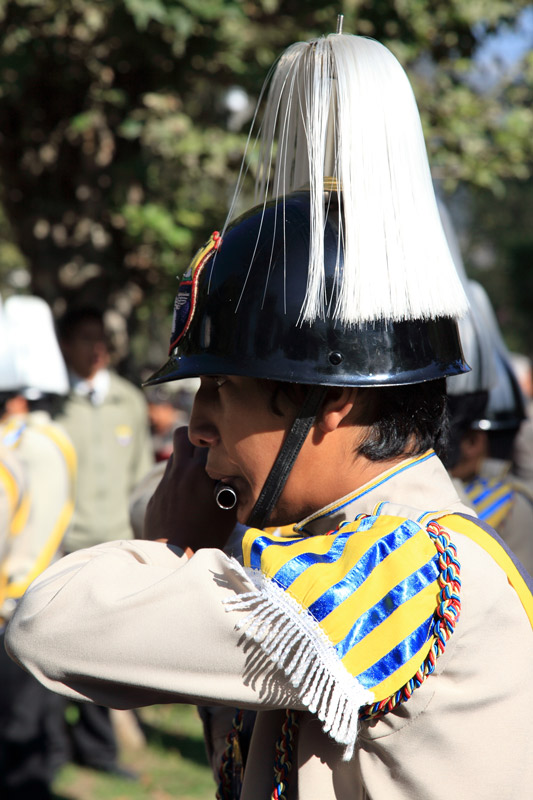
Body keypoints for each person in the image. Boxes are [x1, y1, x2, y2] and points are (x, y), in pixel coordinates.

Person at [6, 31, 533, 800]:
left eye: (222, 388)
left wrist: (172, 546)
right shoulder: (325, 535)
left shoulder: (404, 569)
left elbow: (49, 626)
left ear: (333, 402)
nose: (197, 425)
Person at [53, 304, 153, 778]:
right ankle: (49, 747)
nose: (96, 348)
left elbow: (141, 474)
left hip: (114, 548)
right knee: (51, 648)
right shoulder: (52, 403)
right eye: (85, 338)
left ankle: (97, 749)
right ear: (65, 345)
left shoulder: (128, 401)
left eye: (103, 339)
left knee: (101, 655)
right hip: (60, 548)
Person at [0, 295, 77, 799]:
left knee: (16, 731)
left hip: (13, 597)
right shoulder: (54, 437)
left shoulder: (20, 442)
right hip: (40, 591)